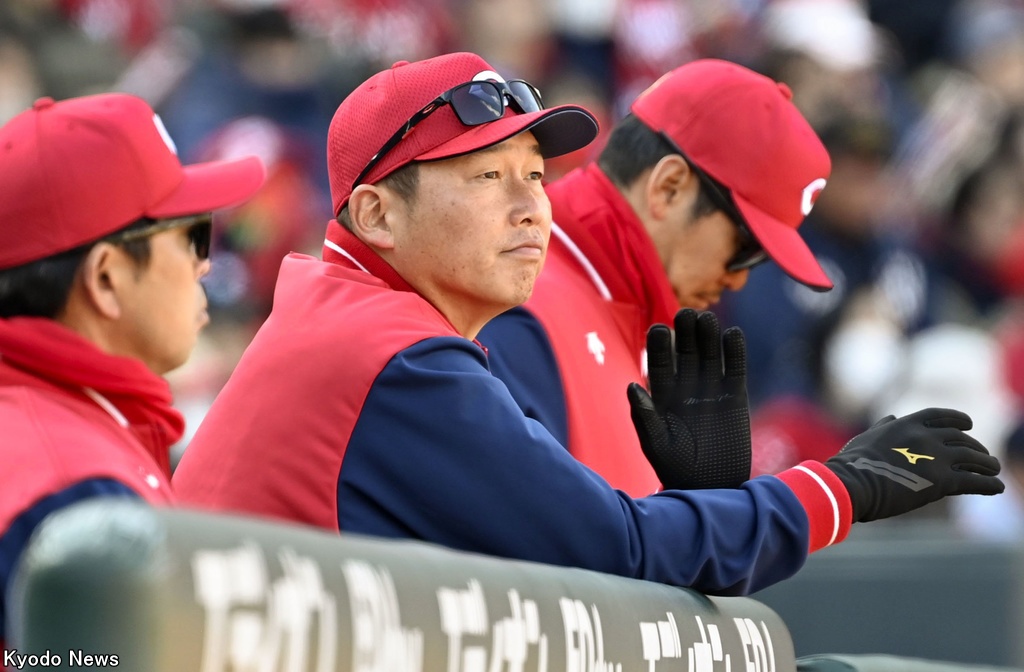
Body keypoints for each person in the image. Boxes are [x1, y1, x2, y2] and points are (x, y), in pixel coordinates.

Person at [173, 52, 1003, 598]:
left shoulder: (380, 321)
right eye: (488, 175)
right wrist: (838, 488)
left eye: (535, 174)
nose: (530, 205)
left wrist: (702, 504)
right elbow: (607, 551)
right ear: (376, 214)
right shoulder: (394, 352)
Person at [477, 59, 835, 496]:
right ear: (668, 187)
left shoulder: (641, 321)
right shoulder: (518, 304)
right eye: (745, 249)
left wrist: (705, 509)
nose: (738, 281)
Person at [0, 93, 265, 643]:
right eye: (190, 235)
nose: (205, 262)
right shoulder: (70, 486)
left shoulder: (68, 425)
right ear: (105, 279)